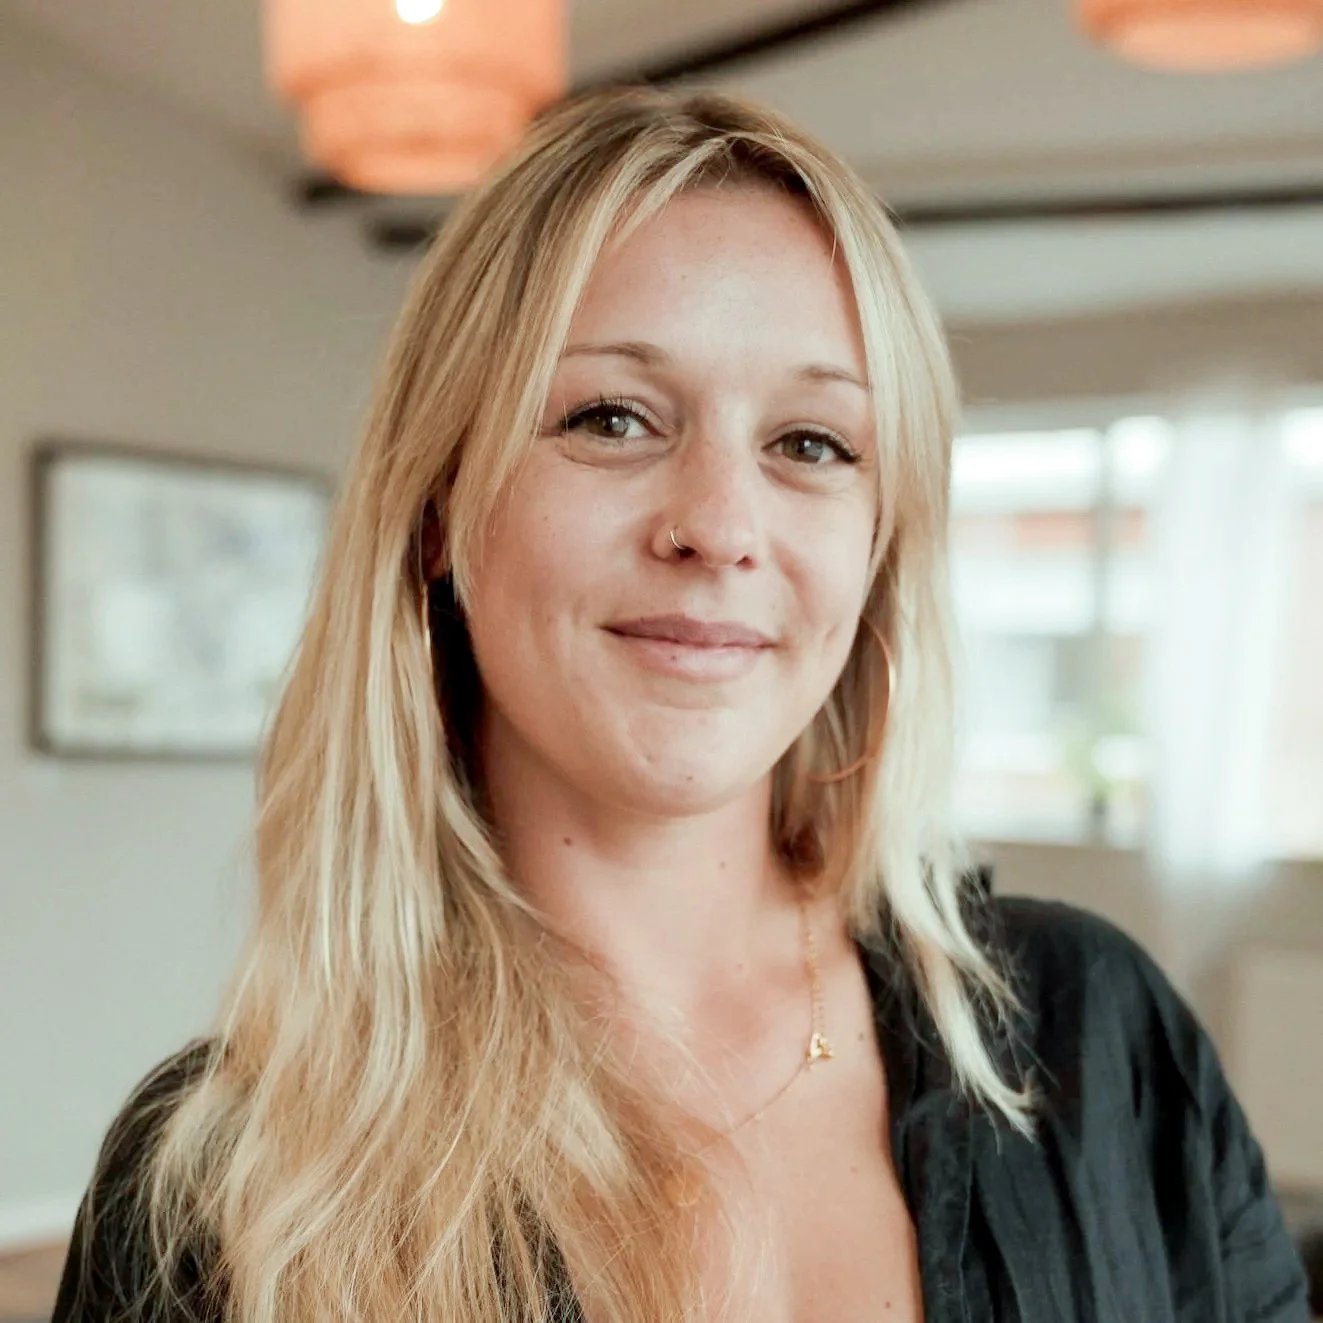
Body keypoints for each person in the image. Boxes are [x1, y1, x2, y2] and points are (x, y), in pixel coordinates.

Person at [52, 87, 1309, 1323]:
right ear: (439, 509)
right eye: (611, 418)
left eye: (811, 443)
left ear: (881, 541)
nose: (718, 525)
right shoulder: (220, 1192)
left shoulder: (1097, 1029)